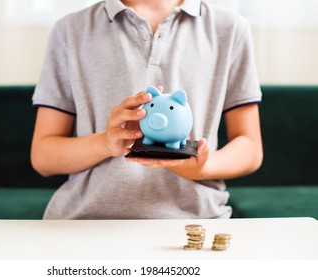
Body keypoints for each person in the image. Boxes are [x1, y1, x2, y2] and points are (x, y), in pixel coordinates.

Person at [31, 0, 263, 219]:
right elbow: (43, 157)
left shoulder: (230, 28)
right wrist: (105, 143)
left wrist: (200, 166)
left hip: (196, 221)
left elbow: (250, 148)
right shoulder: (70, 30)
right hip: (84, 220)